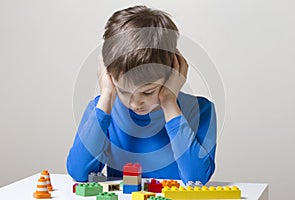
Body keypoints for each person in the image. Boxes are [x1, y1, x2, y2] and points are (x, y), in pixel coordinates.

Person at [67, 5, 216, 185]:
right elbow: (79, 173)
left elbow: (196, 178)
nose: (135, 103)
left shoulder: (201, 111)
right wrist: (106, 95)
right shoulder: (103, 109)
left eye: (147, 92)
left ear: (172, 73)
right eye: (123, 90)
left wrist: (169, 102)